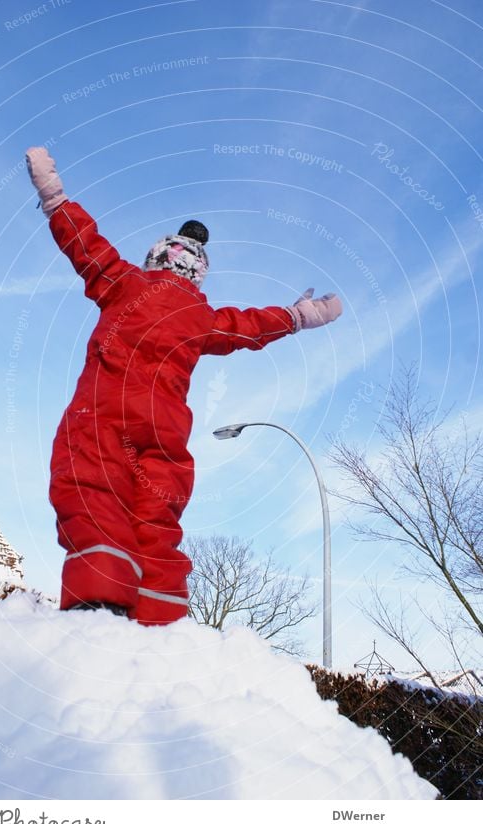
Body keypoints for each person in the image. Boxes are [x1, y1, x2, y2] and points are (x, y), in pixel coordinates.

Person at [26, 146, 343, 626]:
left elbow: (85, 245)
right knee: (156, 514)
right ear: (196, 276)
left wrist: (54, 197)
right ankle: (161, 613)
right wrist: (297, 316)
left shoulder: (123, 283)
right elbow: (248, 327)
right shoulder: (199, 317)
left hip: (103, 413)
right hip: (164, 430)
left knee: (91, 487)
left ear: (155, 261)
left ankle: (101, 599)